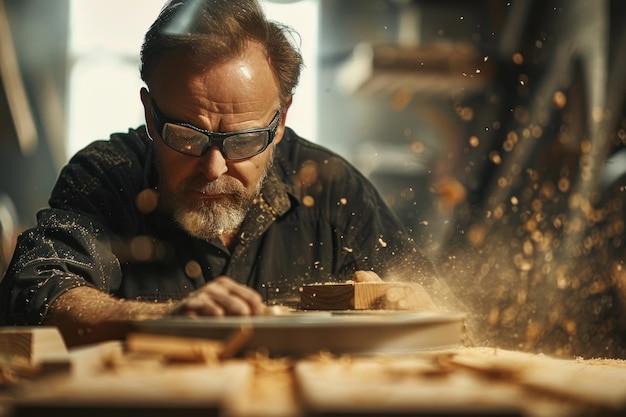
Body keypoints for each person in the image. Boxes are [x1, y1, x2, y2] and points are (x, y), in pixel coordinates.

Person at [0, 0, 440, 345]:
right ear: (151, 116)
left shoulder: (330, 188)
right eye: (188, 137)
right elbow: (36, 293)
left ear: (281, 118)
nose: (214, 168)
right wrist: (163, 319)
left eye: (245, 141)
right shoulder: (106, 175)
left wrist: (420, 311)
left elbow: (438, 311)